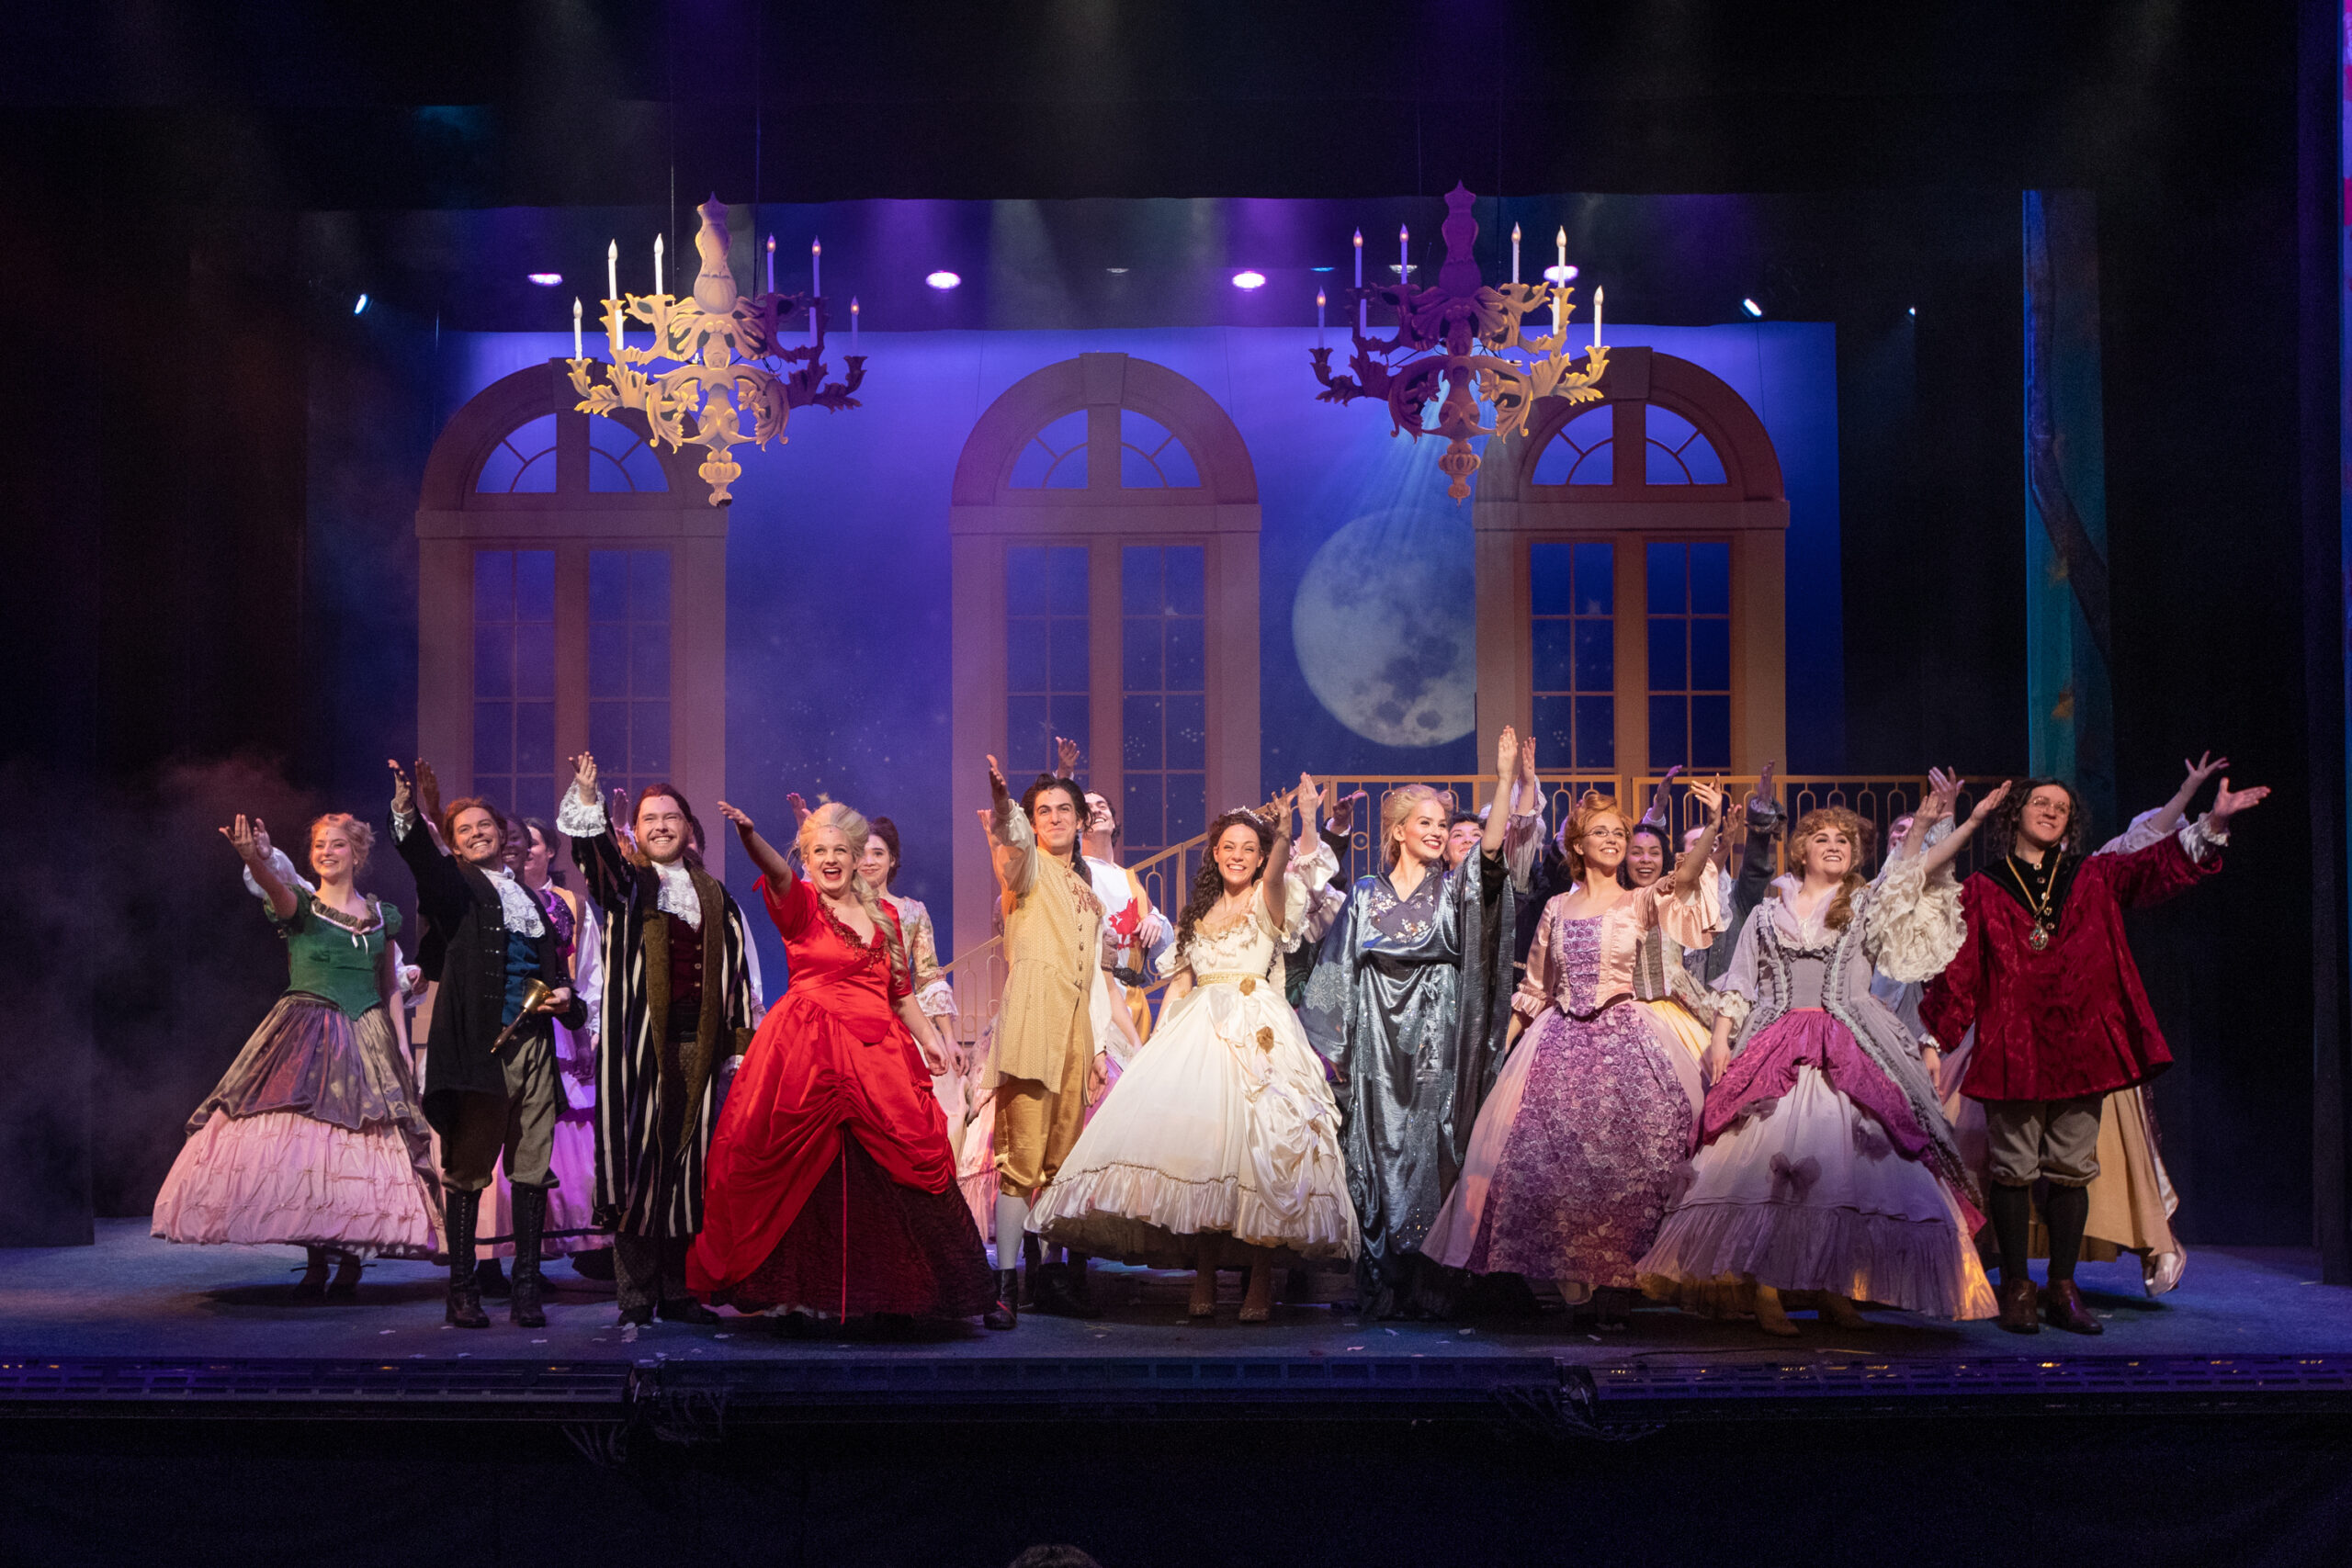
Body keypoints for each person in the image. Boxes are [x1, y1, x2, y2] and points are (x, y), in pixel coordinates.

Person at [1638, 776, 2001, 1334]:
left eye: (1844, 841)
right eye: (1823, 838)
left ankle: (1836, 1290)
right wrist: (1718, 1039)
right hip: (1776, 1040)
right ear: (1802, 849)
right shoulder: (1766, 912)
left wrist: (1949, 825)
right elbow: (1740, 981)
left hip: (1850, 1040)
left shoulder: (1863, 906)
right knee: (1768, 1165)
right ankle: (1766, 1290)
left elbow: (1914, 871)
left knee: (1848, 1168)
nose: (1834, 846)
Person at [1919, 768, 2266, 1335]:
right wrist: (1936, 1036)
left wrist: (2214, 822)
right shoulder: (1984, 887)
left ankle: (2062, 1287)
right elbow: (1961, 971)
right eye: (2041, 803)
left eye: (2061, 807)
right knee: (2011, 1170)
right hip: (2015, 1045)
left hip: (2082, 1045)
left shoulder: (2095, 874)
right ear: (2017, 815)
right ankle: (2017, 1288)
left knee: (2072, 1171)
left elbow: (2156, 866)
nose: (2052, 812)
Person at [1031, 778, 1356, 1322]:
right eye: (1228, 847)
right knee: (1204, 1154)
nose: (1238, 856)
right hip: (1199, 1032)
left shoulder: (1267, 897)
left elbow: (1282, 872)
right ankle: (1203, 1275)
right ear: (1214, 854)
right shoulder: (1196, 915)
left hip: (1257, 1030)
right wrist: (1155, 1053)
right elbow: (1180, 985)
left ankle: (1258, 1281)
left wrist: (1292, 827)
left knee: (1261, 1157)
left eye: (1247, 850)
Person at [686, 799, 1000, 1326]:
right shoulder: (802, 904)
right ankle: (802, 1292)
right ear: (805, 859)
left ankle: (899, 1294)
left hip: (877, 1052)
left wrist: (933, 1040)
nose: (829, 861)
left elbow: (901, 995)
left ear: (857, 858)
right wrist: (750, 836)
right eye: (817, 852)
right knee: (804, 1166)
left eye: (839, 851)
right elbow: (776, 872)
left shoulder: (888, 918)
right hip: (807, 1051)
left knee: (899, 1161)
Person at [1425, 781, 1725, 1326]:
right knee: (1545, 1163)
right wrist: (1502, 1053)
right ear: (1578, 845)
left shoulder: (1641, 899)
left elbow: (1683, 880)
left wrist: (1711, 828)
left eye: (1619, 832)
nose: (1613, 840)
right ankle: (1579, 1285)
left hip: (1625, 1041)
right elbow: (1537, 986)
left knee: (1640, 1158)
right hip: (1559, 1039)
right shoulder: (1558, 909)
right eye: (1601, 833)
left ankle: (1622, 1281)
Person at [153, 813, 441, 1296]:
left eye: (337, 845)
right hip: (308, 1029)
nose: (326, 852)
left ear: (357, 853)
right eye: (319, 846)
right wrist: (255, 859)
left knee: (357, 1145)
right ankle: (315, 1263)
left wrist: (402, 1044)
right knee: (310, 1143)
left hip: (367, 1034)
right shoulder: (302, 905)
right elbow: (275, 889)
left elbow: (389, 985)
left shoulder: (379, 916)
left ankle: (350, 1258)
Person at [1300, 728, 1523, 1319]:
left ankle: (1431, 1283)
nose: (1435, 831)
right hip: (1375, 1043)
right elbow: (1332, 975)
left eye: (1442, 824)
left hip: (1435, 1038)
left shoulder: (1454, 892)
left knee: (1433, 1150)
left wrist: (1503, 782)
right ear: (1397, 830)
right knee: (1373, 1154)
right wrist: (1326, 1054)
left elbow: (1492, 857)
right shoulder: (1366, 895)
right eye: (1424, 822)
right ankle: (1381, 1279)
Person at [559, 752, 760, 1327]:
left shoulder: (716, 895)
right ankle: (635, 1295)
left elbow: (739, 974)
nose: (663, 826)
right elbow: (596, 860)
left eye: (672, 817)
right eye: (651, 819)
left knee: (688, 1169)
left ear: (690, 828)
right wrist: (592, 806)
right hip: (636, 1048)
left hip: (699, 1046)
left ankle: (677, 1290)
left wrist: (739, 1046)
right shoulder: (627, 886)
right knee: (636, 1167)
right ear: (637, 831)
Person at [390, 764, 583, 1329]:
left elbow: (557, 975)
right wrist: (409, 816)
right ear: (454, 843)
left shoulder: (533, 902)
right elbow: (425, 866)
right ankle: (462, 1290)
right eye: (463, 830)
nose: (477, 833)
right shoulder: (458, 889)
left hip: (535, 1051)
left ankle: (526, 1290)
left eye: (484, 826)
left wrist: (568, 1001)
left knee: (530, 1170)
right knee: (470, 1171)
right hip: (482, 1053)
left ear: (502, 834)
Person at [983, 757, 1109, 1324]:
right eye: (1043, 812)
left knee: (1061, 1164)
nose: (1054, 819)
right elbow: (1009, 840)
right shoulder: (1025, 866)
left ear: (1081, 820)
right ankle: (1005, 1285)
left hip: (1075, 1032)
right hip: (1035, 1022)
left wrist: (1098, 1048)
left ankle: (1050, 1278)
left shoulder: (1087, 890)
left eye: (1064, 810)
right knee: (1022, 1159)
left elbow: (1095, 979)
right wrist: (1004, 799)